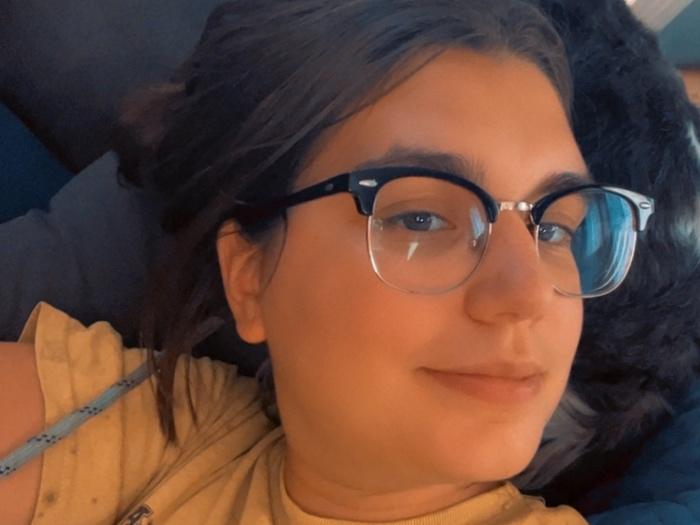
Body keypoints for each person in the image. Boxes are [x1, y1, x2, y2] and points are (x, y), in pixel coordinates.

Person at [0, 1, 656, 523]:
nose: (528, 294)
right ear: (248, 278)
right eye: (422, 218)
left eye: (556, 228)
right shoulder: (146, 422)